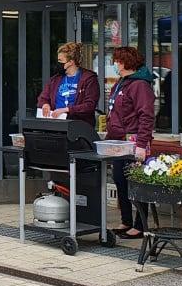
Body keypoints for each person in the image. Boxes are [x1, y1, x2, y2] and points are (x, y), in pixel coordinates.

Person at [106, 46, 156, 239]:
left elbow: (146, 116)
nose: (115, 64)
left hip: (134, 141)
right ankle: (126, 220)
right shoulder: (121, 83)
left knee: (136, 183)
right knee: (120, 179)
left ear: (125, 62)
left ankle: (140, 225)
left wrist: (142, 144)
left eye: (117, 61)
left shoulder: (140, 85)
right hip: (118, 142)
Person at [36, 41, 100, 124]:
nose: (58, 63)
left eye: (60, 60)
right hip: (56, 122)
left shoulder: (89, 79)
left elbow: (90, 105)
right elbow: (43, 98)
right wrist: (45, 104)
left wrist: (67, 110)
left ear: (71, 62)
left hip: (79, 124)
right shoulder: (55, 79)